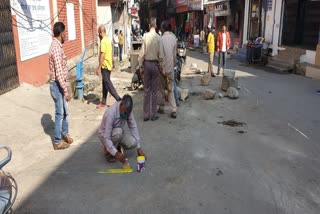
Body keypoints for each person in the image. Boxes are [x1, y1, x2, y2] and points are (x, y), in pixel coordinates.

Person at [98, 94, 146, 163]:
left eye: (127, 113)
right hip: (105, 135)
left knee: (133, 143)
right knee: (118, 131)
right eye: (125, 113)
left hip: (118, 133)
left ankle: (115, 146)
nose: (126, 115)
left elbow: (133, 126)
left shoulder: (128, 110)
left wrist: (139, 147)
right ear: (121, 104)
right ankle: (108, 152)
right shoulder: (111, 113)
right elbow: (107, 137)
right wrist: (116, 154)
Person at [49, 22, 73, 150]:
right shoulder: (56, 49)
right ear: (61, 33)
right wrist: (66, 91)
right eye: (65, 33)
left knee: (65, 111)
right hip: (57, 85)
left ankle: (65, 133)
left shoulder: (57, 45)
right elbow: (58, 73)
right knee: (59, 113)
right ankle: (57, 141)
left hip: (60, 84)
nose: (66, 35)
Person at [139, 17, 164, 121]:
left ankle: (146, 115)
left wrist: (140, 66)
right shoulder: (159, 38)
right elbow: (161, 55)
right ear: (156, 26)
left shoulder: (145, 36)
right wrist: (162, 67)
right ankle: (153, 114)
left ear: (149, 26)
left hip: (147, 64)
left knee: (146, 90)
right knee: (154, 91)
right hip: (155, 65)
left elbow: (141, 53)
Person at [96, 25, 121, 109]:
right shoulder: (108, 40)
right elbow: (111, 53)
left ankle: (119, 99)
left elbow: (102, 55)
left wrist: (99, 67)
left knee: (108, 84)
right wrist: (113, 62)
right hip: (109, 65)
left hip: (105, 66)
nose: (98, 35)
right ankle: (103, 101)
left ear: (101, 32)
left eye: (98, 33)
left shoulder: (103, 41)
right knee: (104, 84)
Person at [159, 21, 177, 118]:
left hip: (163, 69)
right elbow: (174, 55)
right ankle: (173, 110)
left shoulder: (162, 39)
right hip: (171, 69)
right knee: (171, 89)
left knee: (161, 88)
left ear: (163, 29)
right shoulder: (174, 38)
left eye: (161, 28)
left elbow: (161, 56)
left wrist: (162, 67)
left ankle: (161, 107)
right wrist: (173, 65)